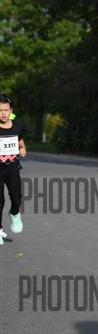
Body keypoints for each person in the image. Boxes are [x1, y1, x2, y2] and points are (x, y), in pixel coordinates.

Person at [0, 94, 27, 245]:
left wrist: (22, 149)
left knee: (16, 197)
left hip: (12, 168)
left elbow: (20, 141)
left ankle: (15, 213)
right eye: (0, 111)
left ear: (11, 111)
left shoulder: (17, 125)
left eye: (5, 110)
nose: (3, 113)